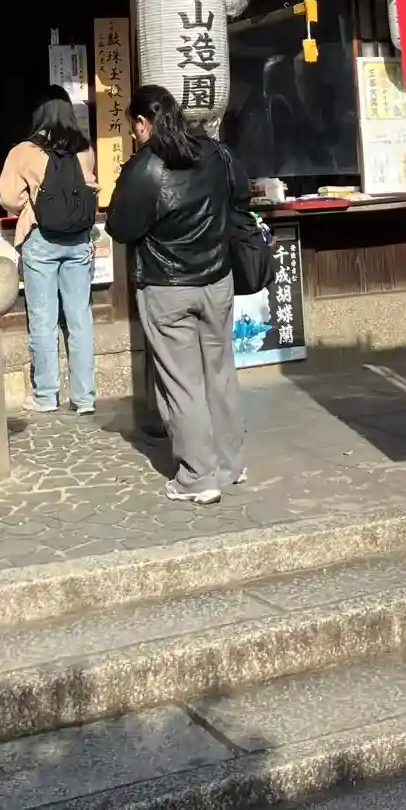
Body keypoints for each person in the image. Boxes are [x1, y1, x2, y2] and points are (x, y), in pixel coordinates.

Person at [106, 85, 246, 503]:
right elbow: (240, 197)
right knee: (220, 373)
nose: (134, 134)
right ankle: (230, 465)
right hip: (217, 280)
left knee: (182, 383)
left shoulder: (146, 167)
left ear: (143, 122)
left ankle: (198, 477)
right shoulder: (217, 153)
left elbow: (120, 228)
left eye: (134, 127)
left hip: (168, 287)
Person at [0, 86, 99, 415]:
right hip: (78, 239)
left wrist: (31, 202)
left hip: (41, 237)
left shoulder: (24, 151)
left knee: (43, 319)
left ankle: (46, 395)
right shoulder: (84, 148)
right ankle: (84, 398)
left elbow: (8, 197)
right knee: (80, 318)